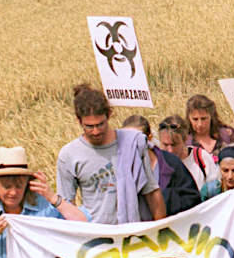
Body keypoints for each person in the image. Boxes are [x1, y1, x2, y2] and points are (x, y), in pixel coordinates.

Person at [56, 84, 166, 224]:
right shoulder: (69, 155)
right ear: (79, 121)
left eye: (100, 124)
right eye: (89, 126)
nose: (95, 131)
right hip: (98, 236)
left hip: (134, 232)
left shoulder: (133, 143)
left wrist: (162, 230)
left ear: (109, 116)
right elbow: (67, 205)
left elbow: (151, 191)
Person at [122, 115, 201, 217]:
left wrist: (165, 198)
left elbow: (192, 200)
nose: (133, 144)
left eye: (137, 139)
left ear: (149, 138)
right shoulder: (117, 167)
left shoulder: (171, 163)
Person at [159, 114, 219, 197]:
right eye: (165, 145)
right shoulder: (155, 162)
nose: (170, 150)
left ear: (185, 140)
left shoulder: (201, 158)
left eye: (174, 145)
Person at [185, 94, 234, 167]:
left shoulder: (228, 134)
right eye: (195, 119)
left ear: (212, 116)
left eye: (204, 119)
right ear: (189, 118)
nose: (200, 124)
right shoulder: (183, 139)